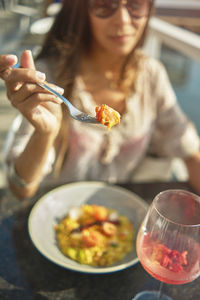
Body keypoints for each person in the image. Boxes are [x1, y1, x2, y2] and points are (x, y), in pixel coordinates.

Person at [0, 0, 200, 199]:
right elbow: (21, 190)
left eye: (135, 5)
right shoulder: (48, 77)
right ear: (81, 11)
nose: (122, 21)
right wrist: (45, 134)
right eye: (105, 5)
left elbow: (190, 149)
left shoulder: (151, 74)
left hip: (120, 218)